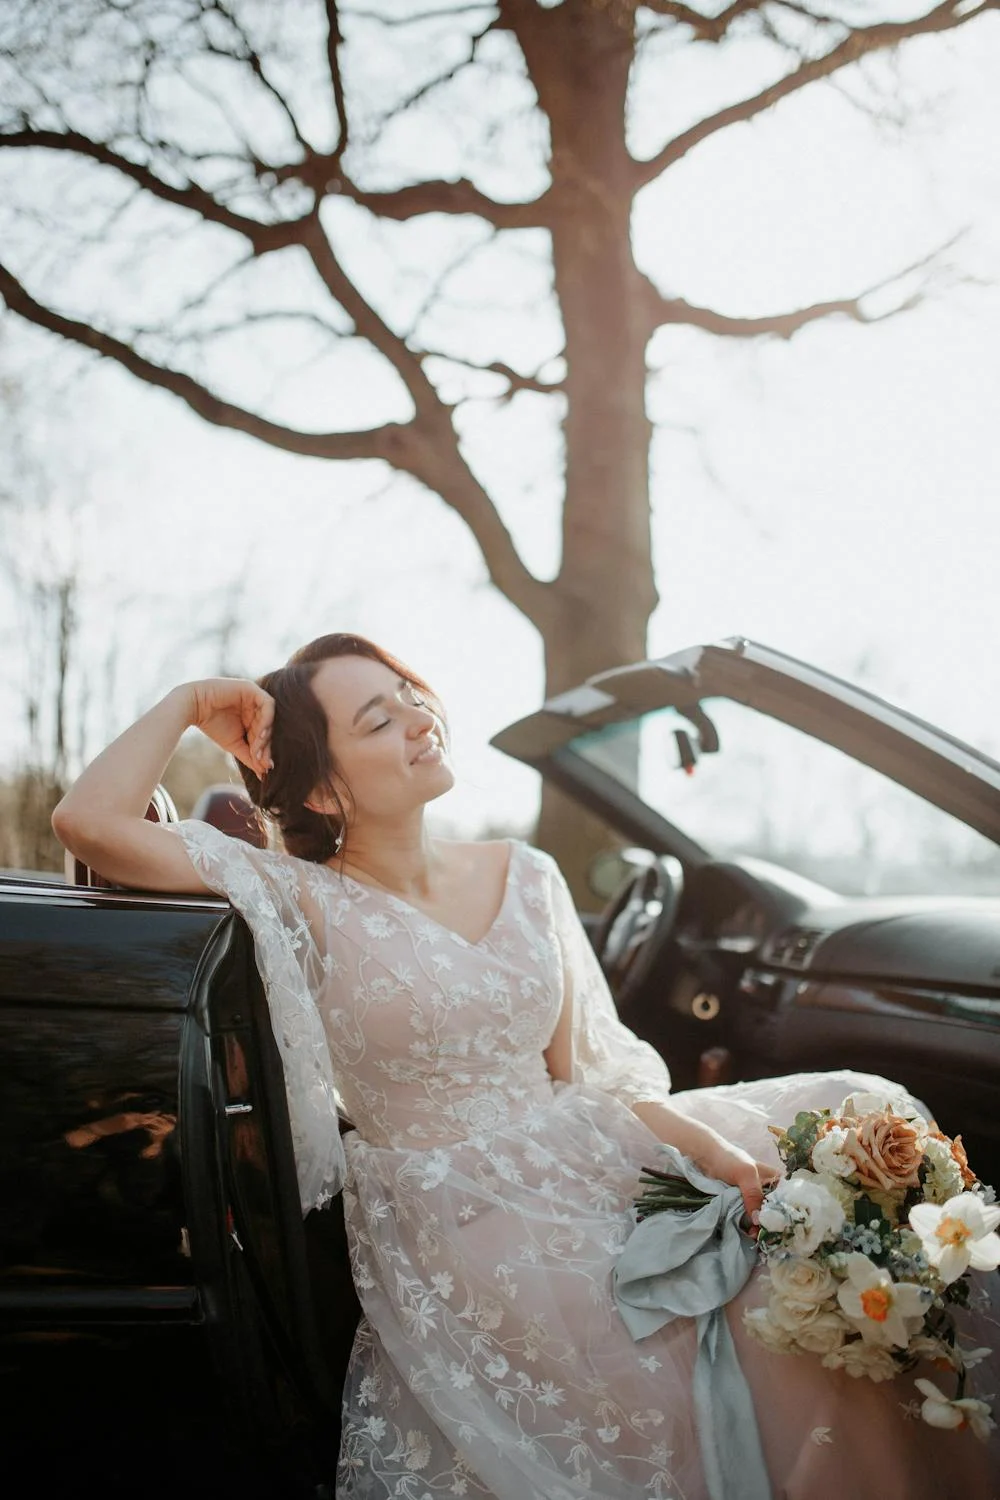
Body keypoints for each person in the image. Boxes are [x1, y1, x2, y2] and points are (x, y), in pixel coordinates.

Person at [52, 632, 1000, 1500]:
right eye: (378, 718)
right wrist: (188, 699)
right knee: (744, 1319)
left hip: (590, 1148)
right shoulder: (294, 895)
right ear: (324, 791)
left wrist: (708, 1149)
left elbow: (592, 1077)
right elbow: (88, 822)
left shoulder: (530, 870)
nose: (420, 717)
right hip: (464, 1218)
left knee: (859, 1120)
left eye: (410, 694)